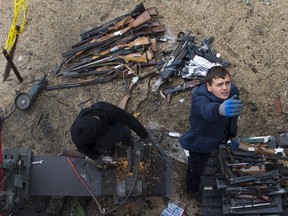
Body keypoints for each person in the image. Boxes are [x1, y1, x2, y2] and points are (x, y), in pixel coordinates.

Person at [179, 66, 244, 194]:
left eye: (227, 83)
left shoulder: (233, 92)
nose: (225, 88)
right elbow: (206, 110)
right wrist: (219, 109)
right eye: (219, 85)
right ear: (209, 87)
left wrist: (232, 135)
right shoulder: (199, 97)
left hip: (219, 134)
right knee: (196, 168)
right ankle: (192, 189)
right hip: (201, 140)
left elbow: (232, 118)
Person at [71, 101, 149, 160]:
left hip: (112, 127)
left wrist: (144, 135)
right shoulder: (76, 136)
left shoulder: (107, 110)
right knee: (105, 145)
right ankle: (111, 151)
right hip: (99, 142)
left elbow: (130, 120)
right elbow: (85, 149)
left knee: (123, 131)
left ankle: (127, 140)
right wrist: (99, 158)